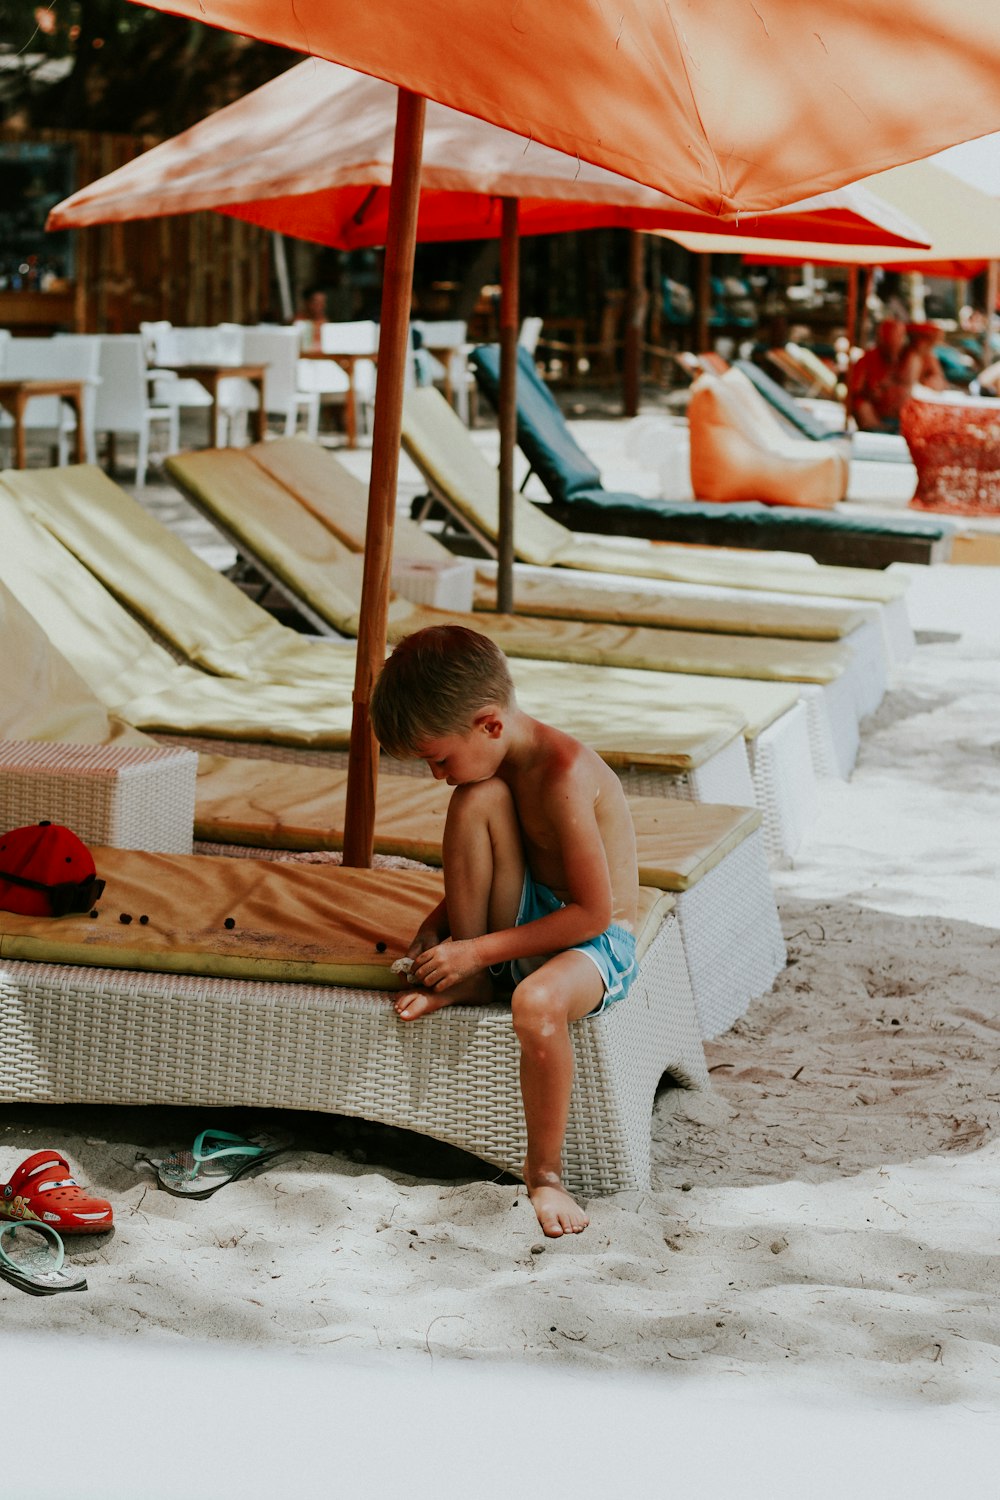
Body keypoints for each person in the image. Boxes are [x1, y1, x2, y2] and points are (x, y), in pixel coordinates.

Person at [369, 625, 640, 1239]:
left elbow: (594, 914)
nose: (437, 773)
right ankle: (474, 983)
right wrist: (441, 929)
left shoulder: (562, 770)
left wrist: (474, 949)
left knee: (536, 1003)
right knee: (474, 800)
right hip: (527, 920)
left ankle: (544, 1174)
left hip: (592, 942)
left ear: (489, 724)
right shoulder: (489, 772)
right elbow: (501, 857)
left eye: (438, 757)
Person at [846, 316, 914, 433]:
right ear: (881, 337)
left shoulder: (910, 358)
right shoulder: (866, 360)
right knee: (860, 404)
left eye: (899, 336)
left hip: (902, 421)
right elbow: (854, 392)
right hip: (874, 420)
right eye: (892, 336)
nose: (896, 341)